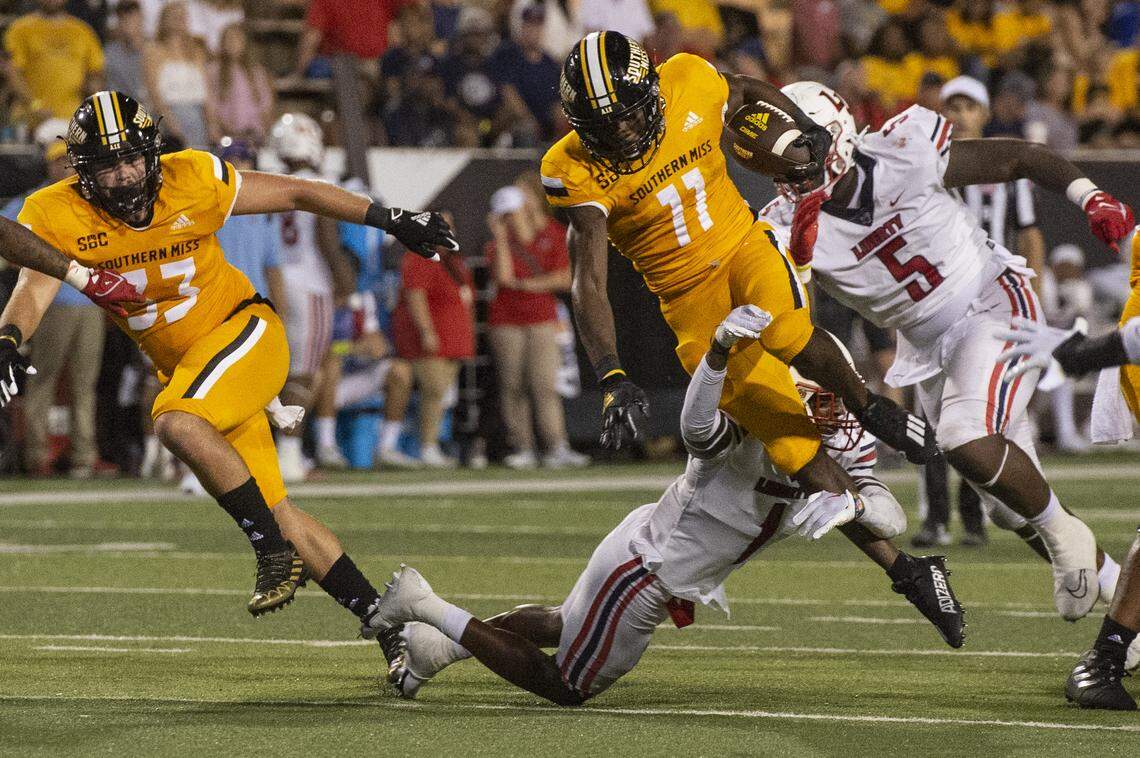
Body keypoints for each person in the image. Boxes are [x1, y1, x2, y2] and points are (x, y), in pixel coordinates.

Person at [0, 92, 458, 669]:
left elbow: (299, 190)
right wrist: (10, 338)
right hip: (195, 370)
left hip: (243, 332)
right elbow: (33, 287)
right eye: (108, 166)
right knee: (279, 510)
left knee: (175, 421)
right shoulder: (56, 211)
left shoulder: (193, 177)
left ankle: (269, 551)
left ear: (152, 152)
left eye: (132, 160)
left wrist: (389, 218)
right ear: (82, 174)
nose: (123, 177)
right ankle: (389, 624)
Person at [371, 306, 965, 704]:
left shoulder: (839, 441)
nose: (829, 402)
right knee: (569, 685)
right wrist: (716, 357)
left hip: (653, 550)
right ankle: (427, 604)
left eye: (834, 388)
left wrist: (854, 508)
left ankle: (434, 648)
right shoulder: (755, 420)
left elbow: (890, 514)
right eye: (813, 388)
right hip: (650, 569)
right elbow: (698, 431)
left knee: (561, 625)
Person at [543, 32, 936, 543]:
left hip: (741, 244)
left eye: (629, 113)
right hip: (686, 298)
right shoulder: (570, 168)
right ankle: (902, 566)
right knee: (784, 432)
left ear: (652, 88)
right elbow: (588, 280)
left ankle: (870, 407)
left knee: (786, 331)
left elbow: (746, 89)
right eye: (604, 125)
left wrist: (807, 126)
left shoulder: (687, 79)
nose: (620, 132)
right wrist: (611, 373)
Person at [762, 81, 1133, 622]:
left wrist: (1088, 194)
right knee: (1007, 506)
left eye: (799, 152)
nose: (791, 169)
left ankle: (1061, 530)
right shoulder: (783, 224)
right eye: (780, 158)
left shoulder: (901, 151)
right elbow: (795, 318)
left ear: (835, 138)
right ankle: (1125, 605)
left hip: (990, 300)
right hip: (928, 342)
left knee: (965, 437)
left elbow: (1016, 157)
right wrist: (794, 258)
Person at [0, 121, 118, 477]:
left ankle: (84, 456)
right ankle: (38, 454)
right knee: (44, 379)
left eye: (67, 162)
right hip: (49, 303)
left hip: (91, 303)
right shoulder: (33, 202)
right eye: (56, 162)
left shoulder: (92, 200)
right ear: (47, 165)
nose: (62, 169)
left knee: (86, 385)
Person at [266, 112, 356, 480]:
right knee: (302, 377)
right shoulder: (322, 182)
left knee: (272, 375)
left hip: (272, 282)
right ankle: (288, 456)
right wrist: (344, 278)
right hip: (311, 284)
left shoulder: (269, 182)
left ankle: (274, 452)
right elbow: (326, 237)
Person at [485, 184, 586, 470]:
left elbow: (566, 279)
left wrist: (529, 285)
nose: (511, 218)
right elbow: (504, 278)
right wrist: (502, 238)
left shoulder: (551, 235)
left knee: (544, 384)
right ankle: (523, 446)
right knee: (513, 385)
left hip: (542, 319)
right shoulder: (497, 244)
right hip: (506, 321)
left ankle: (556, 445)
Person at [391, 234, 476, 468]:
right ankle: (427, 446)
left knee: (442, 396)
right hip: (431, 341)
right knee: (434, 392)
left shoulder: (453, 260)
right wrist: (427, 331)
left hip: (452, 340)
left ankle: (431, 444)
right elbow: (415, 294)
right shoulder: (420, 257)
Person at [3, 0, 104, 121]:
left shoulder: (83, 31)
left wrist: (93, 87)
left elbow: (96, 72)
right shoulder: (20, 29)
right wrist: (35, 106)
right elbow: (12, 72)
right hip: (31, 119)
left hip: (73, 118)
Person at [143, 1, 216, 148]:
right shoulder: (153, 50)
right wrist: (171, 124)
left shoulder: (196, 51)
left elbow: (206, 92)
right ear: (164, 20)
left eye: (183, 16)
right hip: (168, 115)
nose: (180, 19)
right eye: (175, 16)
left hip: (197, 115)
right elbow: (153, 92)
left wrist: (212, 123)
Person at [209, 23, 275, 143]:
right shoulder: (214, 71)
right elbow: (211, 103)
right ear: (222, 44)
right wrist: (220, 125)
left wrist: (265, 128)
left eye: (237, 39)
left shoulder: (256, 72)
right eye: (229, 39)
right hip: (227, 132)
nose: (233, 43)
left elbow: (266, 103)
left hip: (254, 132)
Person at [103, 1, 150, 106]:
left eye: (132, 17)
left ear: (141, 18)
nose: (128, 23)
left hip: (153, 111)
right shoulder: (109, 53)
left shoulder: (154, 51)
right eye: (123, 19)